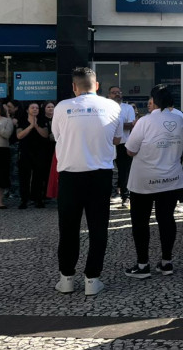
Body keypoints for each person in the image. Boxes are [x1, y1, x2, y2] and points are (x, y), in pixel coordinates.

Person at [51, 67, 123, 296]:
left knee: (68, 229)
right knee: (98, 228)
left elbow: (57, 136)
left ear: (74, 87)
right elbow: (117, 138)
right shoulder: (113, 106)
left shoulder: (62, 107)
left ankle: (66, 279)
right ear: (98, 85)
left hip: (70, 175)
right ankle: (92, 279)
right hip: (100, 174)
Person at [123, 85, 183, 279]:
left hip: (144, 181)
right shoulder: (179, 119)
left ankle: (143, 265)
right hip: (172, 179)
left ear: (154, 100)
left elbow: (130, 150)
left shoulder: (145, 121)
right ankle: (166, 262)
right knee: (167, 219)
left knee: (140, 222)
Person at [16, 102, 50, 209]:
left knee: (39, 176)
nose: (35, 109)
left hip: (40, 152)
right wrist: (30, 127)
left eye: (36, 108)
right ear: (27, 110)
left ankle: (38, 199)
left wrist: (36, 126)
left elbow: (45, 135)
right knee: (24, 176)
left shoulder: (42, 120)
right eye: (32, 108)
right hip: (25, 151)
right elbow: (19, 135)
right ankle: (24, 199)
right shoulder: (22, 121)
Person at [107, 86, 137, 208]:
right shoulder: (105, 108)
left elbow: (131, 125)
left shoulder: (128, 108)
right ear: (109, 95)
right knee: (108, 171)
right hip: (107, 143)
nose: (117, 94)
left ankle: (126, 197)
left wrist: (113, 125)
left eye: (118, 92)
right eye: (114, 93)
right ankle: (111, 194)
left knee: (124, 172)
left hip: (124, 144)